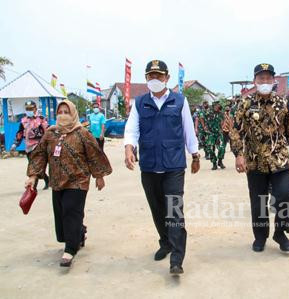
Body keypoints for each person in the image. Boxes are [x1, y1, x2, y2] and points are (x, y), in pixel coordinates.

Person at [124, 59, 200, 275]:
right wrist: (129, 148)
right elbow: (131, 129)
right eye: (150, 76)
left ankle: (177, 258)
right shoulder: (140, 103)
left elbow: (188, 131)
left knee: (174, 210)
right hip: (149, 166)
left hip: (173, 166)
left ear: (167, 78)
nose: (155, 79)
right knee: (157, 209)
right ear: (146, 79)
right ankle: (165, 242)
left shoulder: (179, 101)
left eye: (159, 76)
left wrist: (194, 155)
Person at [25, 100, 112, 267]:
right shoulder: (50, 133)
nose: (63, 115)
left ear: (73, 114)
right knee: (61, 214)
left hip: (78, 181)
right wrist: (33, 176)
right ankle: (79, 233)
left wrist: (99, 176)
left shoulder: (82, 133)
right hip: (57, 182)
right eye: (60, 112)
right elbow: (40, 155)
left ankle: (70, 250)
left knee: (71, 212)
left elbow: (94, 155)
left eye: (67, 112)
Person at [230, 63, 289, 253]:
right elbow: (235, 131)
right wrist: (238, 155)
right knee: (259, 201)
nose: (265, 82)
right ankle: (260, 237)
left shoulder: (282, 103)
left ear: (274, 80)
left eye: (268, 78)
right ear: (255, 81)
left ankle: (280, 232)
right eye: (261, 78)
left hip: (279, 158)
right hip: (255, 160)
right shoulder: (244, 104)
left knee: (284, 194)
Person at [11, 100, 50, 189]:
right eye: (27, 109)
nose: (29, 110)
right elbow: (20, 133)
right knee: (34, 166)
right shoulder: (23, 121)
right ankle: (47, 179)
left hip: (39, 146)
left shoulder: (41, 119)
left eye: (31, 109)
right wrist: (15, 144)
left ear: (35, 109)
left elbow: (47, 131)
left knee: (35, 166)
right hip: (28, 147)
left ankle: (33, 186)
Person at [206, 101, 226, 170]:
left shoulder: (221, 113)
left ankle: (220, 161)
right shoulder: (208, 113)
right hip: (211, 133)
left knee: (221, 147)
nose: (218, 106)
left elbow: (224, 120)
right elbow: (202, 119)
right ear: (214, 105)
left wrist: (222, 127)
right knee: (210, 148)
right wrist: (205, 127)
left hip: (219, 133)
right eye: (217, 105)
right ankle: (214, 163)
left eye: (219, 105)